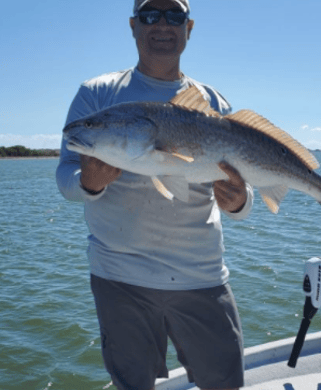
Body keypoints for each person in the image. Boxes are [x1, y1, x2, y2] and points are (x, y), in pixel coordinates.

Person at [56, 0, 254, 389]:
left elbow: (243, 197)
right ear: (133, 25)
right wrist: (89, 182)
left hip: (202, 275)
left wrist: (240, 202)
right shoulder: (96, 95)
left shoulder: (212, 103)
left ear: (189, 27)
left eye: (173, 15)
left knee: (226, 383)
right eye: (149, 15)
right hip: (119, 277)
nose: (161, 24)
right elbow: (66, 176)